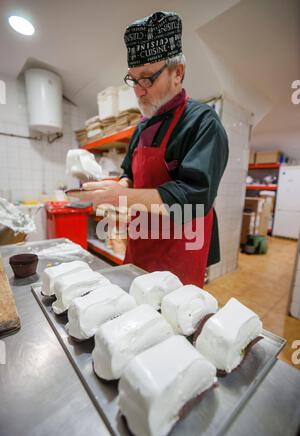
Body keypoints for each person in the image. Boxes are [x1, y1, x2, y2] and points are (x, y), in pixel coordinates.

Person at [75, 11, 228, 287]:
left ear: (177, 73)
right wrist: (117, 188)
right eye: (133, 79)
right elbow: (128, 173)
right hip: (141, 244)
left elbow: (195, 197)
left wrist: (123, 195)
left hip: (180, 252)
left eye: (147, 78)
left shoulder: (203, 123)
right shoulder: (141, 126)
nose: (138, 90)